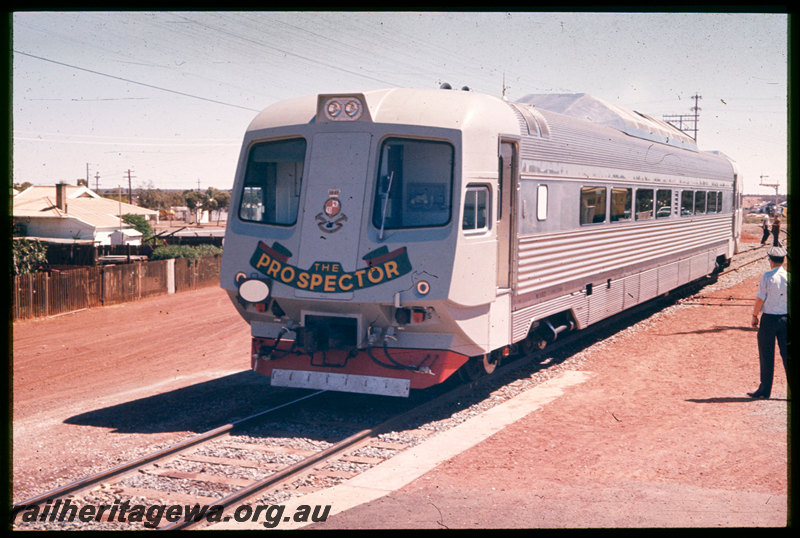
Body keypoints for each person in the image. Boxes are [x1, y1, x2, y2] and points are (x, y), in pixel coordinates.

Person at [748, 246, 789, 399]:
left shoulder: (767, 277)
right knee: (787, 355)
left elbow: (760, 298)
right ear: (784, 260)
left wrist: (754, 315)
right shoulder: (789, 277)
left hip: (769, 320)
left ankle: (764, 390)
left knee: (766, 354)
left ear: (770, 260)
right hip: (786, 320)